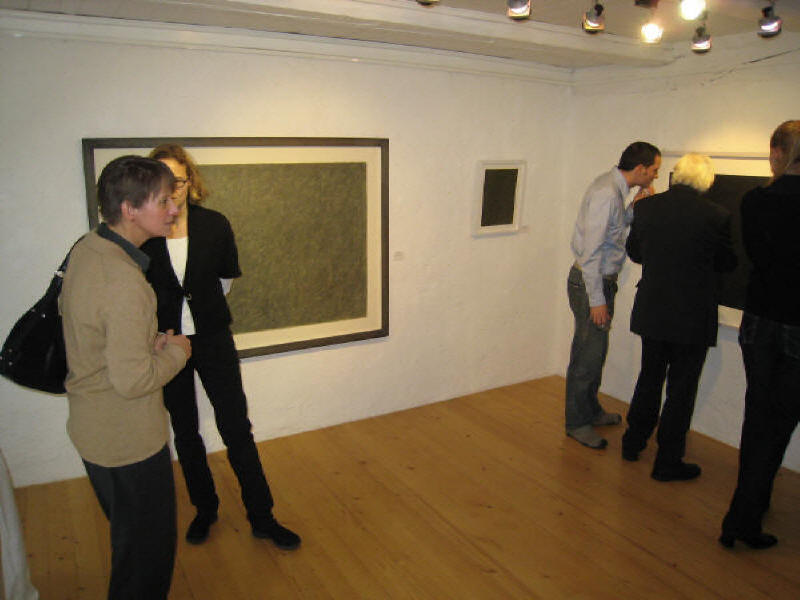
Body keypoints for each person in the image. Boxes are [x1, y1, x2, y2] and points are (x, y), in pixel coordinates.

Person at [140, 144, 300, 550]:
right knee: (185, 431)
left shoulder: (214, 225)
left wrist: (200, 316)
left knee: (236, 428)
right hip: (166, 345)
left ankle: (262, 517)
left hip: (213, 339)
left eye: (177, 180)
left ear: (189, 181)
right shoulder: (144, 234)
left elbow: (225, 282)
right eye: (161, 182)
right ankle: (205, 509)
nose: (171, 190)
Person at [59, 156, 191, 599]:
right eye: (163, 201)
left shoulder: (88, 248)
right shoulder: (124, 281)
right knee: (145, 563)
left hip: (93, 428)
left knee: (130, 545)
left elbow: (94, 332)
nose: (174, 208)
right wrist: (177, 351)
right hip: (126, 440)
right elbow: (133, 382)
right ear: (130, 209)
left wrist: (145, 343)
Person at [621, 154, 736, 481]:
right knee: (681, 390)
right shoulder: (717, 216)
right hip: (692, 315)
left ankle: (632, 443)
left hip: (654, 309)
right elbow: (727, 263)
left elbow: (635, 252)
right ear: (706, 181)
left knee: (649, 378)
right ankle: (667, 461)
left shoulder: (647, 208)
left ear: (677, 175)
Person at [720, 120, 800, 549]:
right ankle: (743, 516)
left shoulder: (755, 200)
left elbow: (754, 255)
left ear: (777, 153)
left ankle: (751, 504)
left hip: (758, 320)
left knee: (758, 415)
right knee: (779, 423)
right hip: (794, 324)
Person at [565, 141, 661, 449]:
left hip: (599, 282)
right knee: (587, 355)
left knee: (595, 352)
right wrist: (596, 300)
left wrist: (633, 208)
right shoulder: (607, 192)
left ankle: (589, 411)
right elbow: (591, 252)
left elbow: (612, 230)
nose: (655, 176)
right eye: (654, 170)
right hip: (590, 283)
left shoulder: (615, 190)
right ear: (640, 169)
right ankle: (577, 423)